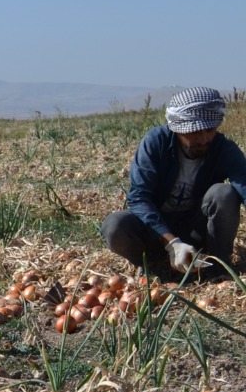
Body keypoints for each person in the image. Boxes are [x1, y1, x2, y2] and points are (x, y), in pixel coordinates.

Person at [101, 87, 246, 280]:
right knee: (114, 226)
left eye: (210, 130)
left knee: (224, 193)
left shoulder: (223, 149)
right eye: (194, 132)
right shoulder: (156, 143)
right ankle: (154, 264)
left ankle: (217, 265)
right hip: (156, 230)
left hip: (196, 228)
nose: (203, 139)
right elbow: (139, 197)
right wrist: (172, 243)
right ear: (177, 129)